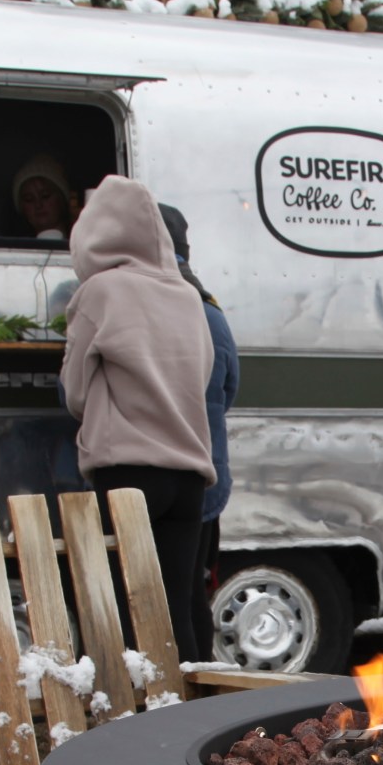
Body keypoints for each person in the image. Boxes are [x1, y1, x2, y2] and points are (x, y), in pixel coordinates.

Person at [60, 176, 216, 657]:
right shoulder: (188, 297)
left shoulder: (100, 292)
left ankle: (133, 728)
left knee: (127, 616)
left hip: (127, 471)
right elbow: (204, 376)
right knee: (176, 611)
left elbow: (74, 391)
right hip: (189, 476)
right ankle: (188, 724)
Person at [155, 204, 238, 659]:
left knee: (171, 595)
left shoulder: (158, 304)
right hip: (208, 470)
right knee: (194, 593)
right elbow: (229, 389)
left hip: (167, 470)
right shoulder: (210, 309)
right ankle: (201, 687)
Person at [11, 155, 79, 242]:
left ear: (61, 198)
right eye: (29, 199)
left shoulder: (83, 247)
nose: (38, 205)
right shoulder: (14, 252)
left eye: (45, 196)